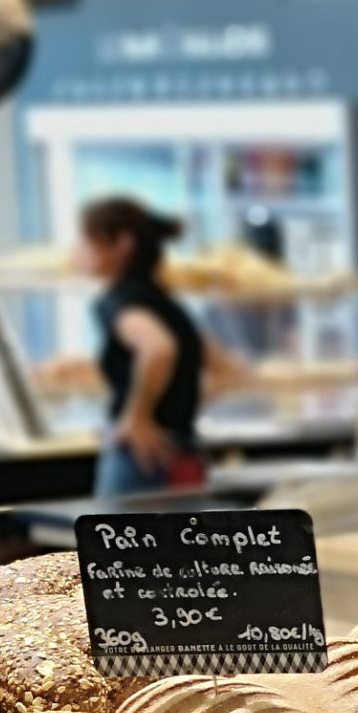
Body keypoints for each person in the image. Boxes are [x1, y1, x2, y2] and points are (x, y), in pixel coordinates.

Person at [77, 196, 217, 496]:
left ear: (123, 244)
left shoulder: (118, 301)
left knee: (119, 543)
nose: (79, 252)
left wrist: (136, 416)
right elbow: (216, 363)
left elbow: (158, 349)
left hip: (141, 457)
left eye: (88, 242)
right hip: (183, 452)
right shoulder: (166, 302)